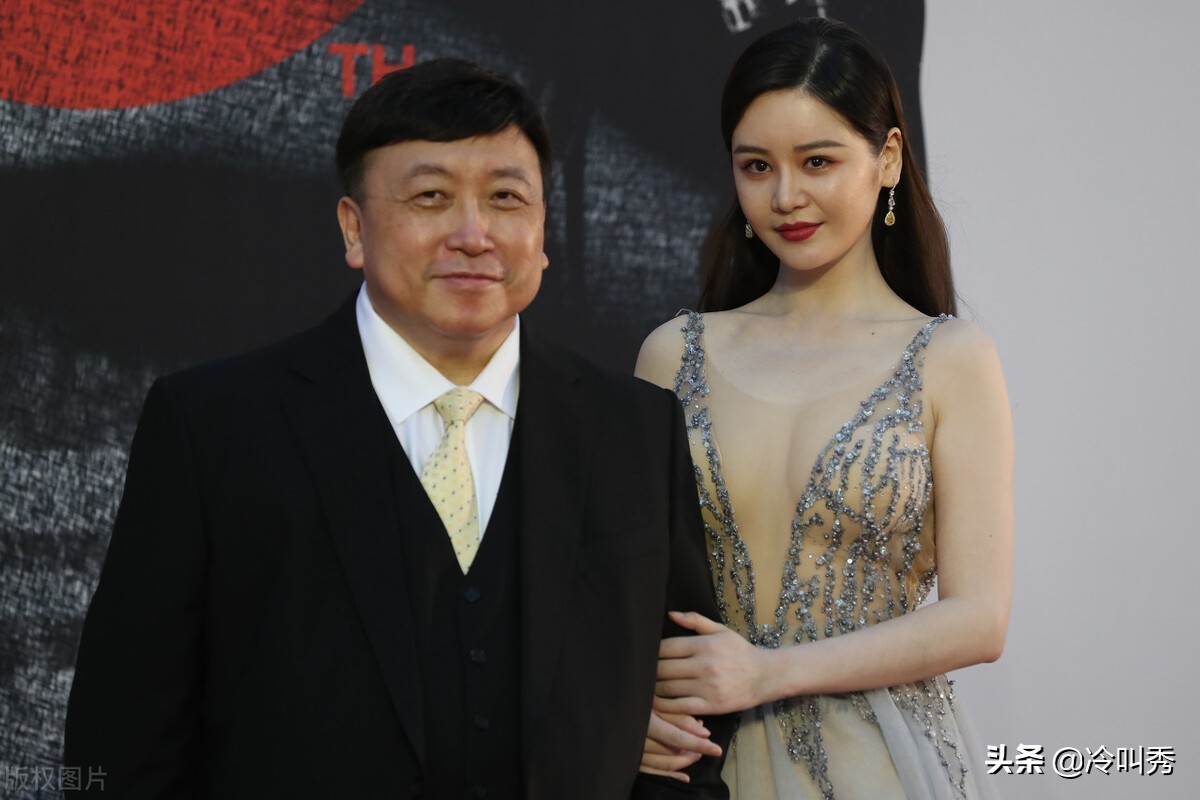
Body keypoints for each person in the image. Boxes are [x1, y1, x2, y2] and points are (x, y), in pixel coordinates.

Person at [64, 59, 732, 799]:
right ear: (354, 228)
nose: (474, 234)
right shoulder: (214, 427)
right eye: (431, 197)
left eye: (506, 198)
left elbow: (692, 717)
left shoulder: (634, 428)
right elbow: (124, 736)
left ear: (544, 229)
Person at [634, 18, 1012, 799]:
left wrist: (768, 672)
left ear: (888, 158)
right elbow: (622, 585)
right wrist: (629, 706)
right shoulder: (673, 354)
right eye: (756, 166)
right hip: (703, 766)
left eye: (817, 162)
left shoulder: (950, 358)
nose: (785, 197)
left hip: (882, 764)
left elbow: (979, 617)